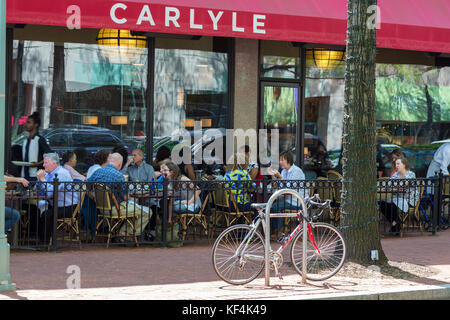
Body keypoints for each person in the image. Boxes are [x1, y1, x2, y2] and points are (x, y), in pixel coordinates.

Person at [87, 153, 151, 238]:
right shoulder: (118, 176)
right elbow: (125, 197)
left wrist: (95, 198)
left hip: (101, 209)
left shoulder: (98, 172)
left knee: (134, 208)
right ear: (120, 164)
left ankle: (123, 233)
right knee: (147, 211)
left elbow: (85, 187)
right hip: (115, 209)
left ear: (109, 161)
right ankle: (125, 233)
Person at [36, 153, 79, 244]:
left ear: (54, 163)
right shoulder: (49, 174)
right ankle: (40, 240)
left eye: (46, 163)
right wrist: (39, 180)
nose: (43, 165)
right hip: (55, 205)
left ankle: (45, 243)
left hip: (69, 206)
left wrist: (43, 180)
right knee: (34, 210)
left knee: (47, 215)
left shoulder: (61, 173)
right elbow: (38, 192)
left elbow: (51, 192)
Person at [267, 151, 308, 237]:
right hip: (287, 199)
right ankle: (274, 230)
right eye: (280, 160)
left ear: (288, 160)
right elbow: (281, 187)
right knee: (271, 205)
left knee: (275, 206)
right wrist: (273, 175)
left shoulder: (296, 171)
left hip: (297, 201)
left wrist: (280, 177)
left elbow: (289, 189)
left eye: (282, 160)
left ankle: (279, 231)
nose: (280, 162)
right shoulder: (284, 171)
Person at [379, 157, 420, 235]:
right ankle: (396, 223)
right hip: (398, 197)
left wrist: (394, 185)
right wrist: (395, 185)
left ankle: (396, 226)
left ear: (404, 165)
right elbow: (389, 186)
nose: (396, 165)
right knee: (381, 203)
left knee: (393, 205)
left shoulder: (411, 174)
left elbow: (403, 184)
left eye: (398, 164)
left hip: (409, 199)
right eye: (395, 164)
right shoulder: (395, 174)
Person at [21, 112, 52, 181]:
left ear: (36, 125)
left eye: (29, 122)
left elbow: (50, 155)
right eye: (26, 122)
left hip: (36, 175)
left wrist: (38, 163)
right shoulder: (25, 140)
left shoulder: (39, 139)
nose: (26, 124)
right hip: (24, 174)